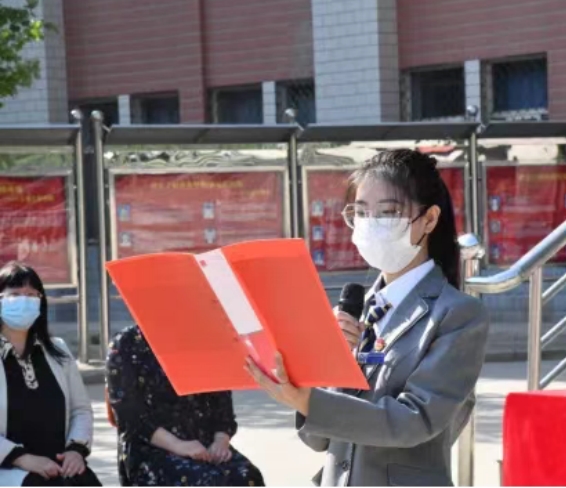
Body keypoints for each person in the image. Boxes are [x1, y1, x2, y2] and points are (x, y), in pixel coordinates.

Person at [246, 149, 490, 486]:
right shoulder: (358, 310)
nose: (371, 224)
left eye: (388, 212)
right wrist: (329, 367)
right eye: (361, 213)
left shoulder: (457, 314)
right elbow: (318, 439)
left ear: (429, 219)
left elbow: (414, 421)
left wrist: (307, 400)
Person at [107, 325, 265, 486]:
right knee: (204, 480)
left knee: (247, 476)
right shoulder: (126, 343)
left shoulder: (203, 339)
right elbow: (129, 415)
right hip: (152, 446)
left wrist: (220, 441)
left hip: (204, 443)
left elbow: (222, 405)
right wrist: (178, 445)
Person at [0, 261, 101, 487]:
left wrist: (76, 450)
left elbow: (80, 409)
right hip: (9, 470)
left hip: (61, 467)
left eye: (31, 295)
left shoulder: (58, 350)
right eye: (15, 294)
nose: (24, 300)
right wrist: (21, 458)